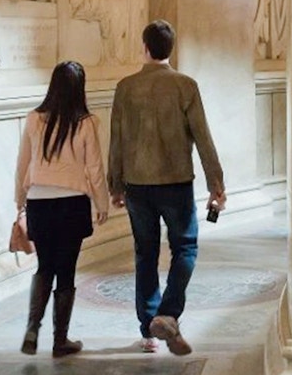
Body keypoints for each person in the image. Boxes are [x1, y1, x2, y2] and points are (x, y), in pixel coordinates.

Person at [108, 20, 226, 355]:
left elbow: (116, 141)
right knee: (185, 248)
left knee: (145, 253)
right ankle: (169, 314)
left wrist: (115, 184)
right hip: (175, 182)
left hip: (137, 185)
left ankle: (149, 327)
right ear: (170, 49)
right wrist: (216, 184)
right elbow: (203, 138)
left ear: (144, 47)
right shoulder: (185, 85)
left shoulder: (125, 87)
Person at [14, 60, 109, 357]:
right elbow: (94, 168)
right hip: (72, 205)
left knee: (45, 266)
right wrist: (102, 202)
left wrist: (20, 199)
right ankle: (60, 340)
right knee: (66, 271)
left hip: (39, 202)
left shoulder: (33, 119)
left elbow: (23, 164)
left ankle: (32, 328)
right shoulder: (86, 123)